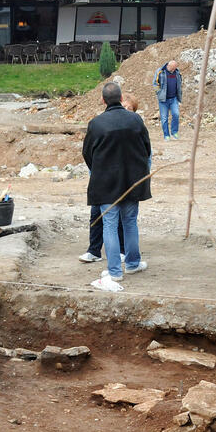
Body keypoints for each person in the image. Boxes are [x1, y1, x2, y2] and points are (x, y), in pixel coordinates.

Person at [82, 83, 152, 283]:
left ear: (103, 100)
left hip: (106, 183)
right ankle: (132, 264)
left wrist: (99, 171)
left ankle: (114, 272)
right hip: (132, 181)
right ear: (122, 99)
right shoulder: (135, 119)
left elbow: (87, 154)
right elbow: (146, 149)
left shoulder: (96, 124)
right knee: (130, 223)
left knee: (110, 225)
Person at [79, 93, 139, 265]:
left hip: (123, 179)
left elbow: (144, 152)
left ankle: (119, 259)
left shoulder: (133, 124)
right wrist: (96, 170)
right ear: (120, 101)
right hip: (103, 179)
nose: (127, 111)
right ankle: (95, 250)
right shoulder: (100, 123)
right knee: (100, 217)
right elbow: (88, 152)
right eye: (125, 107)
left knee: (116, 222)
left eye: (130, 109)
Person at [153, 60, 182, 141]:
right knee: (164, 118)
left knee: (176, 114)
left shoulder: (177, 72)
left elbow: (179, 83)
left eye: (175, 68)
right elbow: (155, 84)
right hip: (163, 100)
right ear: (168, 66)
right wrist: (159, 93)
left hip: (174, 98)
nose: (173, 70)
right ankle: (166, 135)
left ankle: (174, 132)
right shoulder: (160, 71)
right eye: (172, 68)